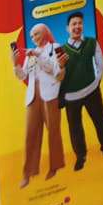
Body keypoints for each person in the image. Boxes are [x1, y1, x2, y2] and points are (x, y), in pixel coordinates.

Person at [56, 11, 103, 170]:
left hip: (92, 91)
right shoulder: (60, 51)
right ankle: (80, 157)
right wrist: (60, 66)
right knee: (75, 128)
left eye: (80, 23)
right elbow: (57, 77)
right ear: (67, 28)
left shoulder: (91, 42)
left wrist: (96, 83)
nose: (77, 26)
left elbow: (100, 66)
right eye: (73, 24)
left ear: (83, 25)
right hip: (71, 97)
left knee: (100, 121)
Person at [12, 22, 65, 187]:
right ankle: (28, 173)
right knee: (30, 134)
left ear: (45, 32)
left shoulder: (56, 47)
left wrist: (38, 55)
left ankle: (55, 166)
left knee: (53, 131)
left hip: (50, 95)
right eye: (32, 36)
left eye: (36, 34)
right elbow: (23, 76)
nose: (33, 38)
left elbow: (55, 70)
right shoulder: (30, 54)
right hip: (33, 95)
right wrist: (15, 63)